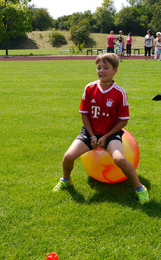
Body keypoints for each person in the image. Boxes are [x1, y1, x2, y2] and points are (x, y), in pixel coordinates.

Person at [53, 53, 150, 205]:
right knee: (68, 156)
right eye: (99, 68)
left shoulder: (119, 93)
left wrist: (106, 136)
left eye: (106, 67)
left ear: (115, 70)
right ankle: (66, 180)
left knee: (119, 159)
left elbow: (123, 121)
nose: (101, 71)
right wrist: (92, 136)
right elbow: (84, 115)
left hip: (111, 135)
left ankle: (140, 189)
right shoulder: (89, 88)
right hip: (89, 133)